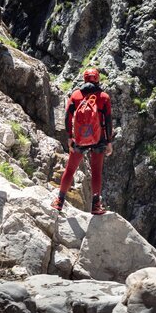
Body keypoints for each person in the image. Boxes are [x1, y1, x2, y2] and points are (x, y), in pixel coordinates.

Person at [51, 68, 113, 214]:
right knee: (97, 171)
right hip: (99, 139)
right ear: (98, 80)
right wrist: (109, 141)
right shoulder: (103, 97)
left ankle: (59, 201)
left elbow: (67, 117)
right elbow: (108, 120)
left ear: (84, 80)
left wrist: (69, 137)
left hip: (79, 138)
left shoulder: (76, 95)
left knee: (71, 169)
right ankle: (96, 206)